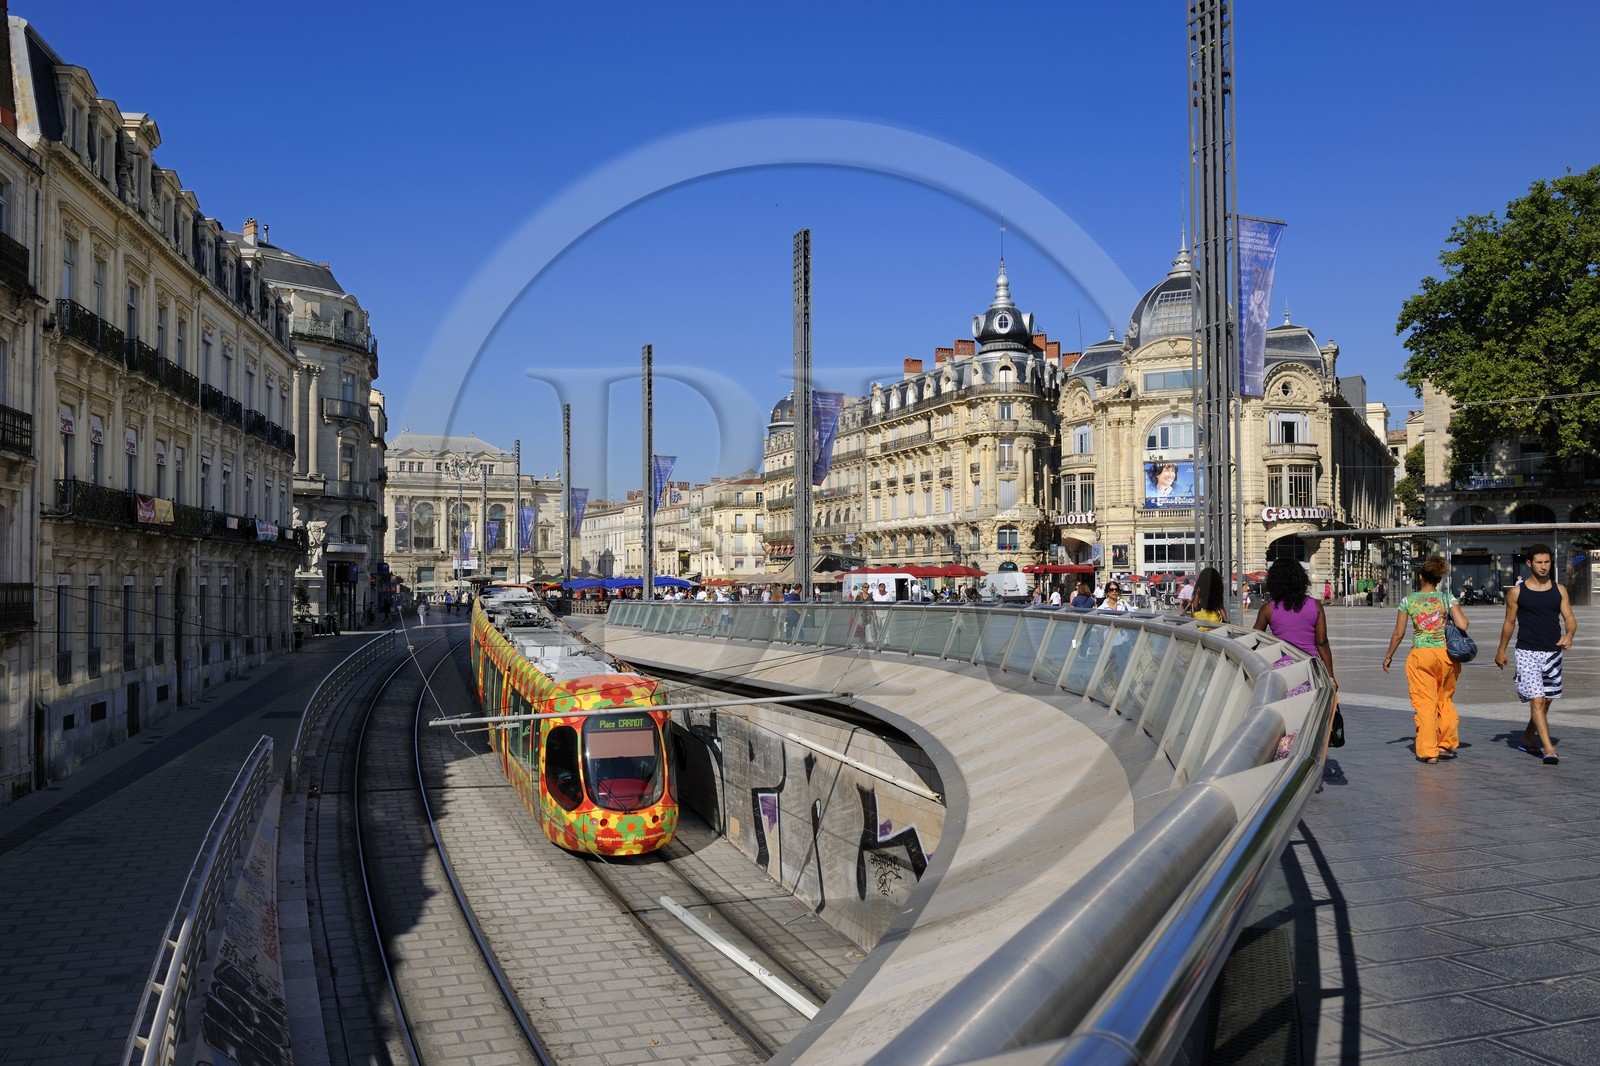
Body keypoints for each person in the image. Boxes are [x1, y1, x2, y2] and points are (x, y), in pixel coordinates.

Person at [1494, 543, 1577, 764]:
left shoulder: (1559, 590)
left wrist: (1569, 635)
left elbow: (1569, 618)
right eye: (1539, 562)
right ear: (1529, 563)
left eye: (1547, 562)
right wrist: (1501, 650)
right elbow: (1509, 622)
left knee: (1546, 700)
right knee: (1537, 700)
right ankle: (1549, 749)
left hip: (1552, 653)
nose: (1543, 567)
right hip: (1526, 652)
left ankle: (1527, 737)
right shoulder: (1517, 592)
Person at [1382, 555, 1470, 763]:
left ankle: (1429, 751)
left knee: (1425, 704)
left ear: (1421, 577)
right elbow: (1463, 624)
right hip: (1446, 655)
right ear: (1438, 579)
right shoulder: (1447, 598)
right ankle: (1446, 745)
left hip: (1421, 656)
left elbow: (1399, 633)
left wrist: (1388, 656)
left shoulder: (1408, 601)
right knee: (1445, 700)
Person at [1254, 558, 1336, 682]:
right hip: (1309, 668)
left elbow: (1254, 640)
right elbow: (1322, 642)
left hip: (1281, 671)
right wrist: (1331, 677)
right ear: (1301, 580)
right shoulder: (1315, 605)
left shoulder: (1267, 609)